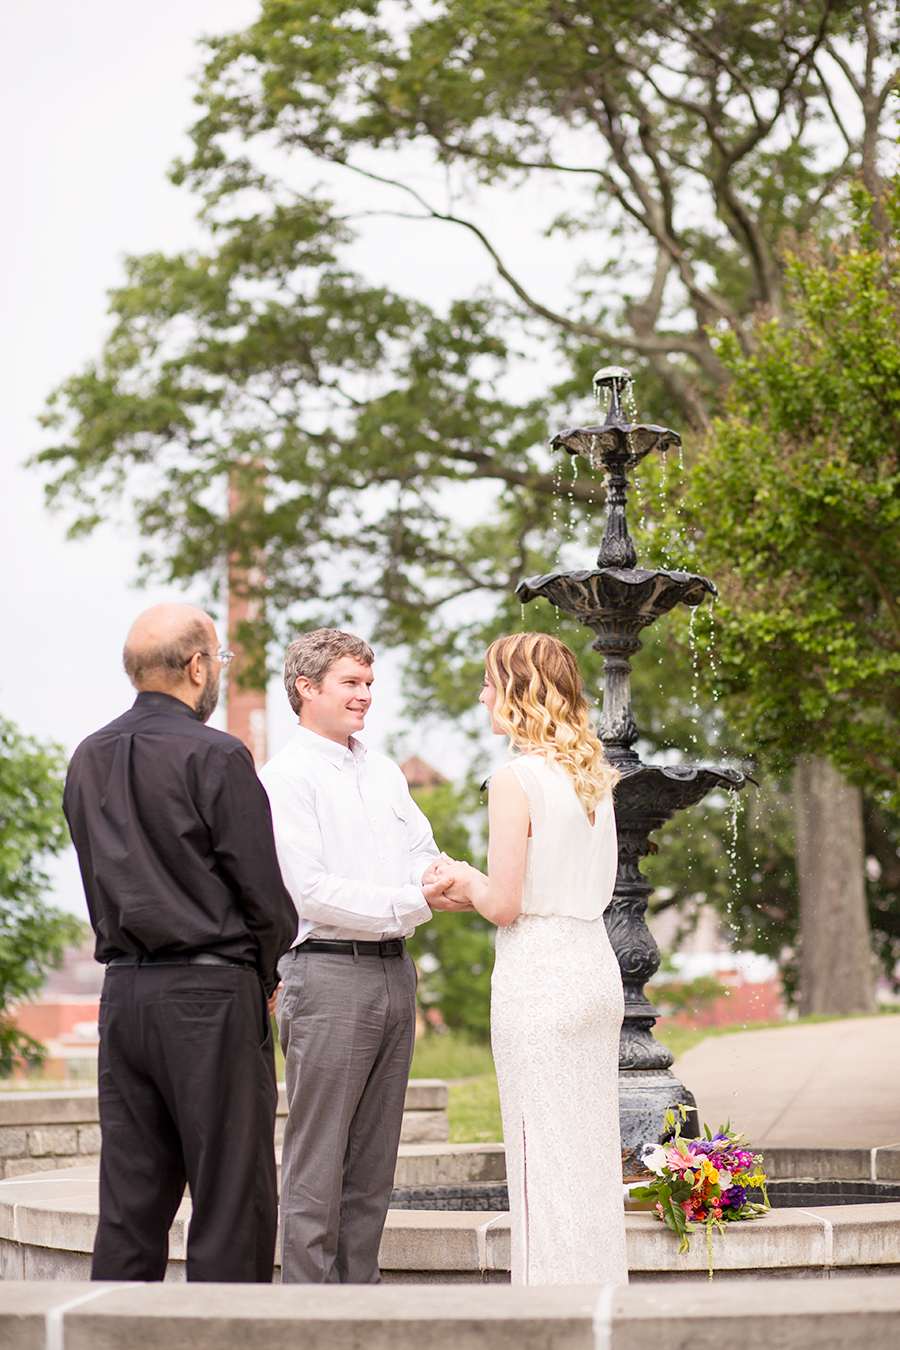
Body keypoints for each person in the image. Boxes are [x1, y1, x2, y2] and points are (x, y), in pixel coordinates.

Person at [63, 603, 298, 1283]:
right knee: (231, 1200)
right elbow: (262, 894)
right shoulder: (218, 754)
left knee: (130, 1204)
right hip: (210, 995)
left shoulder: (88, 758)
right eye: (217, 658)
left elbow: (97, 878)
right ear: (197, 666)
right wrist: (264, 971)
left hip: (125, 996)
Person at [259, 628, 462, 1284]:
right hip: (326, 974)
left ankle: (362, 1306)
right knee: (317, 1166)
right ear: (307, 688)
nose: (365, 696)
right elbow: (310, 890)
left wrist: (438, 875)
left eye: (369, 683)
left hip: (392, 973)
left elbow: (419, 848)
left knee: (374, 1167)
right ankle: (309, 1314)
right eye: (351, 683)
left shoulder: (380, 769)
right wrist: (416, 899)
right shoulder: (284, 778)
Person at [428, 632, 629, 1286]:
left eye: (490, 683)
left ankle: (548, 1318)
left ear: (516, 693)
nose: (483, 695)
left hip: (539, 976)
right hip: (595, 969)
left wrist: (460, 874)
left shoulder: (514, 780)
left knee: (540, 1160)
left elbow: (506, 903)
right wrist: (478, 892)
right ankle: (602, 1307)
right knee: (590, 1160)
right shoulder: (595, 775)